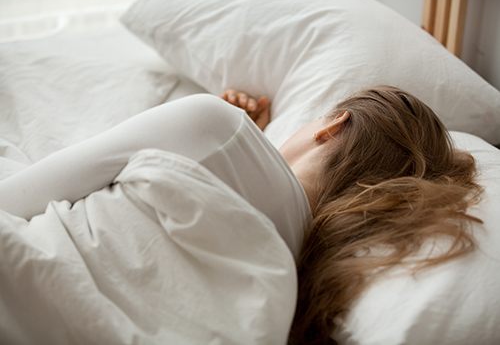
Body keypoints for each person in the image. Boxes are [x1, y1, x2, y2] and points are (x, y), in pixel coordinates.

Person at [0, 86, 482, 344]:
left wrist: (226, 129)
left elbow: (19, 195)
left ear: (331, 127)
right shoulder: (302, 278)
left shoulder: (214, 123)